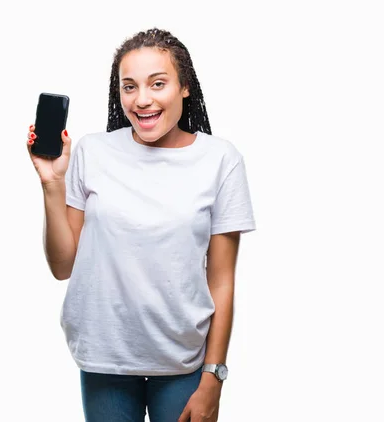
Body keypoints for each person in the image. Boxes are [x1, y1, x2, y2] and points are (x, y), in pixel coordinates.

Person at [26, 28, 256, 422]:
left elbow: (222, 281)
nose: (142, 99)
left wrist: (213, 377)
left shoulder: (221, 160)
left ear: (185, 87)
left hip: (183, 360)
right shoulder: (92, 151)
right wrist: (52, 182)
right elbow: (64, 267)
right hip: (104, 356)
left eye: (158, 83)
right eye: (128, 86)